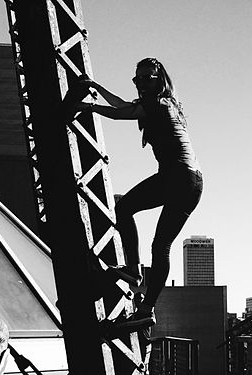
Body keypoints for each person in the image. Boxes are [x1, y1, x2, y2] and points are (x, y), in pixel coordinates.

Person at [77, 58, 203, 332]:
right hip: (189, 182)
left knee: (126, 210)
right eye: (138, 79)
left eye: (148, 78)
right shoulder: (165, 105)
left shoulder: (157, 103)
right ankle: (146, 308)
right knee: (158, 243)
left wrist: (86, 105)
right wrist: (97, 87)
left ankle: (134, 272)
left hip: (177, 177)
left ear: (160, 80)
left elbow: (118, 112)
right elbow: (124, 106)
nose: (142, 83)